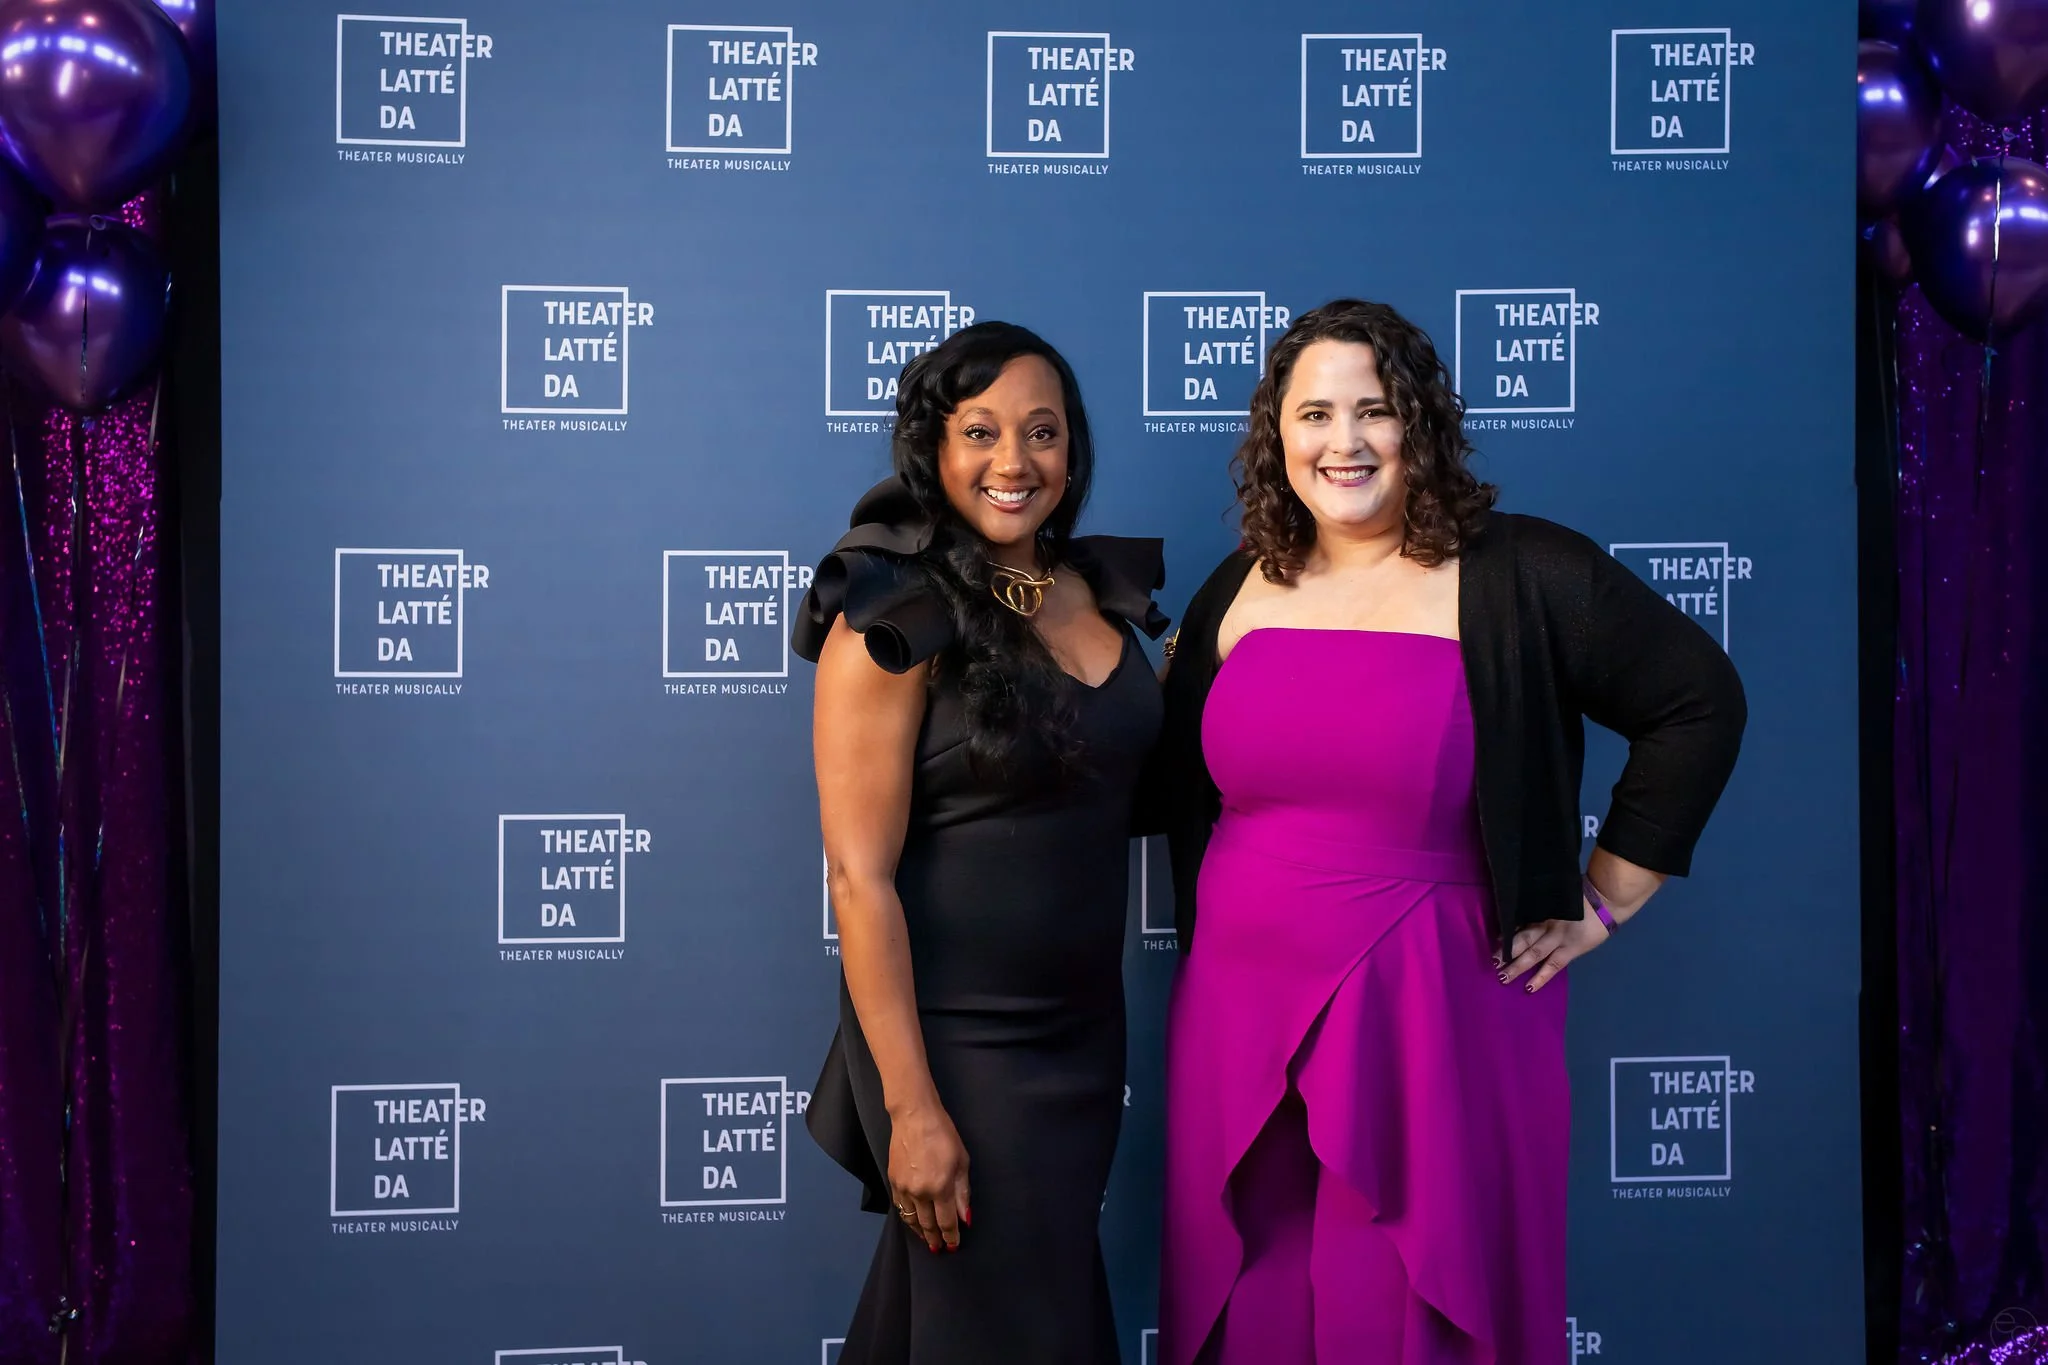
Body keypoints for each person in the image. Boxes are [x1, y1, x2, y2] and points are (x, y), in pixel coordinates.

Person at [1151, 299, 1746, 1365]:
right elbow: (1161, 777)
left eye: (1373, 410)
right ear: (1275, 434)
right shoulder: (1235, 586)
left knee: (1407, 1300)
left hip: (1436, 1006)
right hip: (1236, 1006)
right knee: (1258, 1288)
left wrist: (1605, 898)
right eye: (1314, 414)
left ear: (1419, 423)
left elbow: (1697, 701)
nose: (1342, 442)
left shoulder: (1524, 572)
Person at [793, 321, 1169, 1364]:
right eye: (980, 432)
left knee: (973, 1323)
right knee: (1003, 1322)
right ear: (933, 448)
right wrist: (910, 1107)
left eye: (1042, 432)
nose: (1015, 460)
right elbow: (857, 878)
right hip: (958, 1052)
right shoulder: (889, 619)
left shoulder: (1101, 599)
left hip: (1084, 1040)